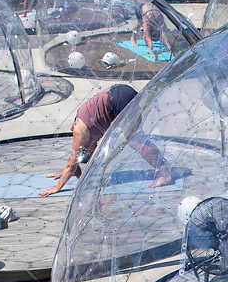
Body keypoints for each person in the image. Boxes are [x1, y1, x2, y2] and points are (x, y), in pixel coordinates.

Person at [38, 84, 172, 197]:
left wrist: (57, 187)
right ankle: (164, 168)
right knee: (137, 139)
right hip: (118, 92)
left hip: (117, 100)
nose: (93, 151)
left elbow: (72, 162)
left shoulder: (80, 133)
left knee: (136, 141)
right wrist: (64, 173)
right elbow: (73, 163)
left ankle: (164, 174)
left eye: (89, 153)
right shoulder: (82, 131)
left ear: (86, 149)